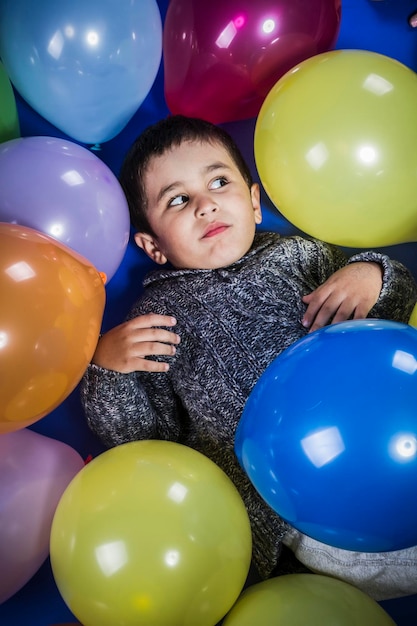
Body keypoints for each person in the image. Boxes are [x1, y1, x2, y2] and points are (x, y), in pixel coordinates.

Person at [80, 115, 417, 600]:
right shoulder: (156, 318)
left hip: (383, 434)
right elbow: (144, 441)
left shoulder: (299, 256)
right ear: (153, 246)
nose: (206, 204)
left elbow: (388, 320)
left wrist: (372, 273)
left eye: (219, 182)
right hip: (295, 503)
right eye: (178, 199)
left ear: (255, 203)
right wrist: (109, 368)